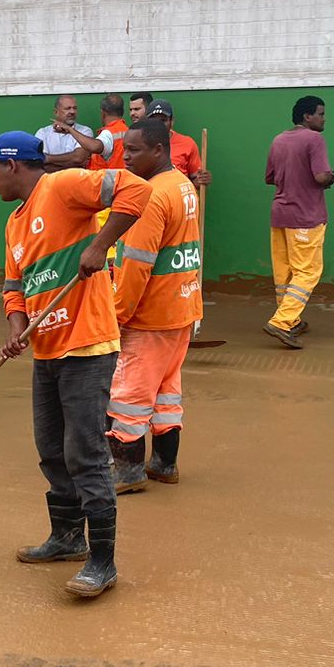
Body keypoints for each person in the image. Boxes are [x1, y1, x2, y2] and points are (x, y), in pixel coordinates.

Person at [0, 131, 147, 599]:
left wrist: (100, 245)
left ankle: (102, 561)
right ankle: (67, 537)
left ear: (12, 166)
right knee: (51, 449)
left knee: (86, 455)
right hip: (46, 349)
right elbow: (15, 285)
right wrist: (16, 325)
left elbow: (137, 190)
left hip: (87, 345)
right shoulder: (14, 224)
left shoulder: (64, 186)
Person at [107, 118, 203, 492]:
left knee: (128, 393)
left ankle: (127, 472)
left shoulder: (148, 197)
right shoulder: (182, 186)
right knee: (166, 392)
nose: (125, 156)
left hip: (150, 315)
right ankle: (164, 463)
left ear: (159, 150)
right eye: (124, 148)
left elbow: (135, 264)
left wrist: (116, 315)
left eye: (134, 150)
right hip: (181, 308)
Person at [264, 96, 334, 349]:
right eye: (321, 114)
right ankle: (283, 321)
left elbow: (270, 178)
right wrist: (331, 177)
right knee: (307, 272)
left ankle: (291, 319)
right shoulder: (314, 139)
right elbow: (320, 176)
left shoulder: (278, 140)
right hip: (305, 216)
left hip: (280, 215)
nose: (323, 118)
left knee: (285, 273)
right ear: (307, 116)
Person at [35, 95, 101, 172]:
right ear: (56, 112)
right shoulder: (43, 133)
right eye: (67, 108)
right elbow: (40, 164)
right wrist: (74, 165)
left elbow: (78, 158)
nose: (72, 112)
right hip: (51, 182)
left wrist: (48, 159)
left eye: (74, 108)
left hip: (76, 181)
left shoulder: (84, 131)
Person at [88, 95, 129, 171]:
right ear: (122, 112)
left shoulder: (107, 133)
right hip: (123, 179)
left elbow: (95, 147)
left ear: (103, 113)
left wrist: (70, 130)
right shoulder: (127, 130)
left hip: (105, 180)